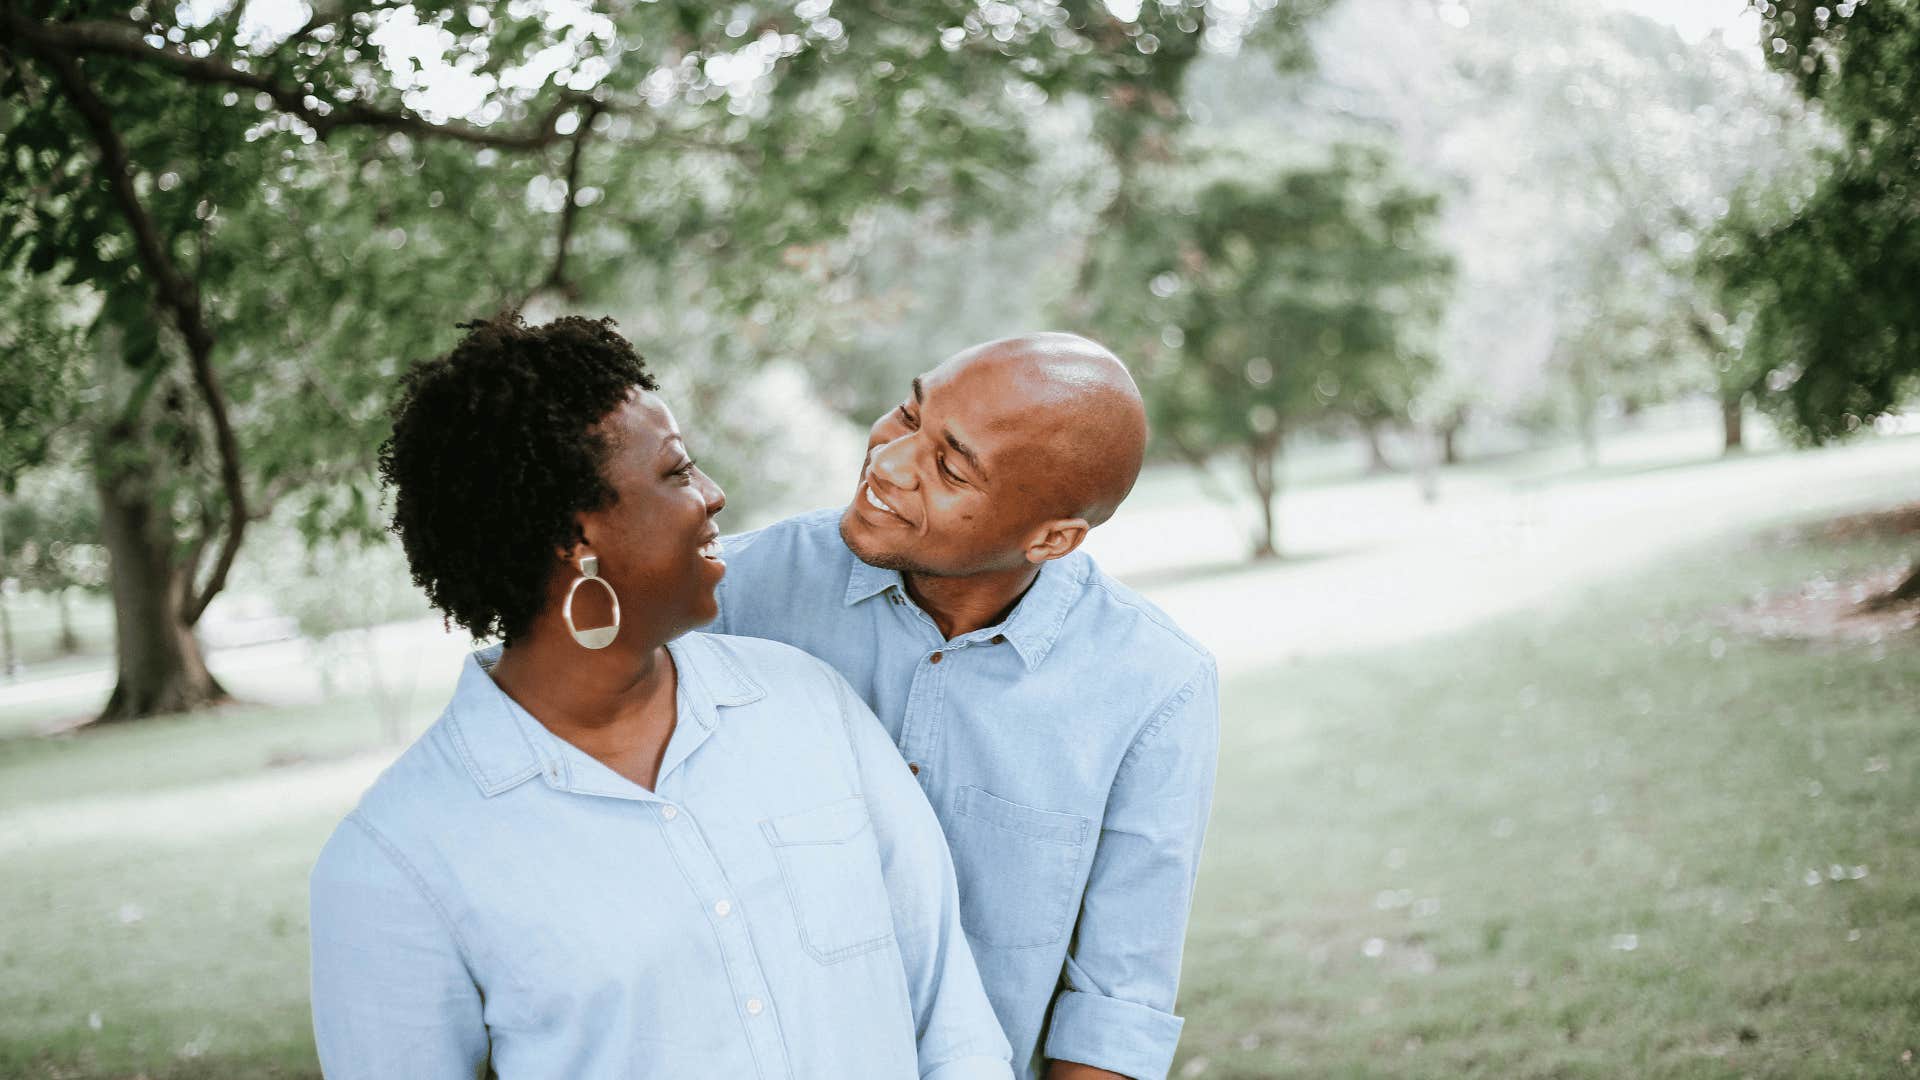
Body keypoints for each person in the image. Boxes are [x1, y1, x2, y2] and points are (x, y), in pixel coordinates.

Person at [308, 314, 1012, 1079]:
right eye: (677, 473)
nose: (712, 496)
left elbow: (953, 1022)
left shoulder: (807, 703)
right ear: (575, 536)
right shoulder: (398, 861)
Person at [710, 333, 1219, 1080]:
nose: (886, 462)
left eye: (948, 465)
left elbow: (1114, 1010)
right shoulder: (729, 598)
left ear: (1053, 538)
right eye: (907, 414)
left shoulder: (1155, 686)